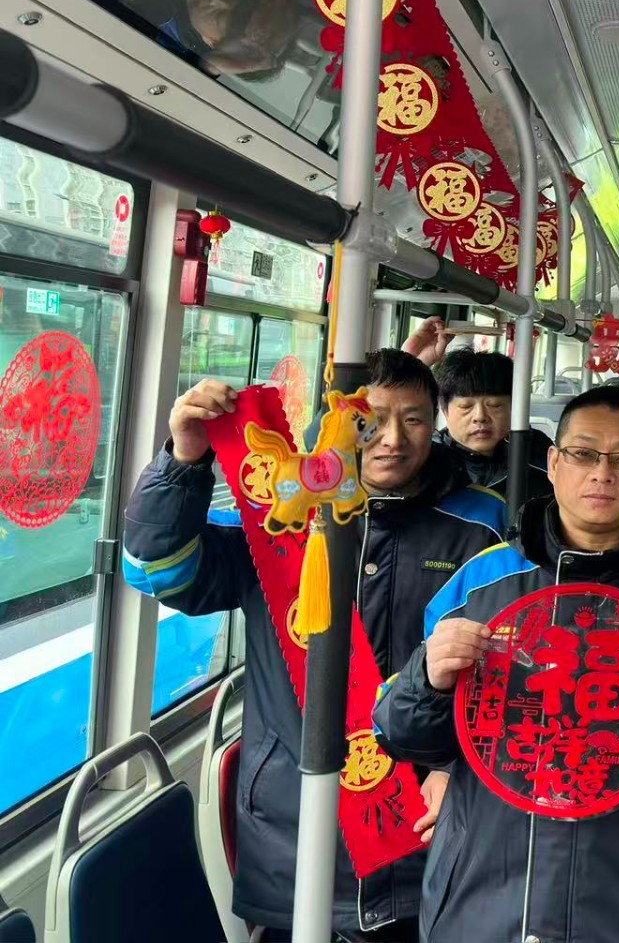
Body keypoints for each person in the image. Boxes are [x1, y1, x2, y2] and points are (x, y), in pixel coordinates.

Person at [120, 349, 506, 941]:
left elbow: (506, 672)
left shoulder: (481, 526)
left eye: (413, 419)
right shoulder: (280, 515)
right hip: (294, 829)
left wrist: (461, 768)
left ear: (435, 424)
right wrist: (185, 460)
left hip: (431, 823)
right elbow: (159, 571)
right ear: (337, 420)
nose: (392, 440)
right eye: (371, 420)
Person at [372, 387, 619, 942]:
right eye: (583, 453)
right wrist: (427, 682)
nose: (602, 473)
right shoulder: (479, 584)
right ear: (554, 463)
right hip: (484, 901)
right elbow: (405, 739)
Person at [424, 342, 556, 503]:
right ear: (445, 411)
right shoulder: (426, 460)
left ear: (514, 408)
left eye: (494, 405)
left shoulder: (539, 454)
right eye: (466, 406)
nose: (480, 416)